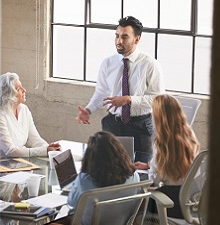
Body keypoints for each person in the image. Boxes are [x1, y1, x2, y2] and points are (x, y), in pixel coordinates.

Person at [75, 16, 165, 163]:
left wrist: (130, 99)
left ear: (137, 39)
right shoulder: (108, 63)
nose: (119, 41)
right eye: (117, 36)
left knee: (140, 172)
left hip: (140, 126)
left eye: (124, 37)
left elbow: (158, 99)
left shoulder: (150, 65)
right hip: (113, 124)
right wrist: (88, 110)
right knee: (108, 168)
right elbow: (101, 92)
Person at [134, 94, 200, 218]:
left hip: (169, 202)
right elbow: (178, 162)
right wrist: (149, 165)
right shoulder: (189, 136)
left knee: (134, 203)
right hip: (191, 199)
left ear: (159, 118)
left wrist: (150, 170)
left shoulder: (161, 143)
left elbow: (156, 179)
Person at [67, 131, 140, 224]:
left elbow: (71, 202)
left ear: (91, 157)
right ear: (120, 152)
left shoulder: (84, 180)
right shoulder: (134, 176)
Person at [0, 72, 61, 159]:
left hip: (16, 160)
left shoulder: (24, 110)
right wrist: (45, 151)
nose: (24, 90)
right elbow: (10, 151)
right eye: (19, 89)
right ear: (9, 94)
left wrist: (48, 148)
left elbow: (34, 139)